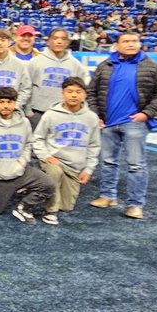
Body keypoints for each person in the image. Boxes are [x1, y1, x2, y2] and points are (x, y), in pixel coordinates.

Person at [86, 31, 157, 219]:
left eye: (134, 41)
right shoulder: (105, 65)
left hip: (135, 123)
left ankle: (135, 204)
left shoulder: (151, 66)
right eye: (126, 41)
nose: (131, 44)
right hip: (108, 122)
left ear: (140, 44)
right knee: (107, 162)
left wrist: (146, 114)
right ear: (117, 45)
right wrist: (96, 115)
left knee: (136, 165)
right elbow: (91, 92)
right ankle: (107, 195)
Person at [0, 86, 56, 224]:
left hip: (20, 171)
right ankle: (5, 191)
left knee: (48, 185)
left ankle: (24, 206)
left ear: (15, 103)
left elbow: (28, 144)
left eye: (9, 102)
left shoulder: (24, 122)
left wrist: (22, 163)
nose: (6, 105)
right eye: (1, 102)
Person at [32, 77, 101, 225]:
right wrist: (45, 156)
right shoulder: (51, 114)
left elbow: (94, 146)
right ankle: (50, 211)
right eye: (69, 91)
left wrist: (88, 170)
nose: (74, 95)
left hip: (74, 166)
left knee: (66, 206)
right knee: (54, 173)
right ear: (62, 93)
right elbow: (37, 138)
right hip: (54, 161)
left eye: (78, 92)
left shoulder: (91, 118)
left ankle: (49, 195)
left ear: (85, 94)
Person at [26, 27, 86, 129]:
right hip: (38, 114)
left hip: (65, 115)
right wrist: (28, 111)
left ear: (68, 42)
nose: (59, 42)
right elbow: (26, 87)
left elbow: (82, 91)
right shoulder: (35, 62)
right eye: (55, 38)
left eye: (63, 39)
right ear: (48, 41)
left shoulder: (76, 65)